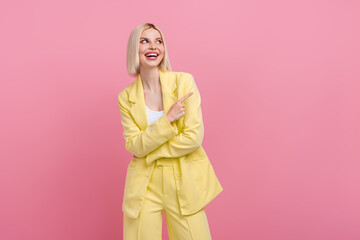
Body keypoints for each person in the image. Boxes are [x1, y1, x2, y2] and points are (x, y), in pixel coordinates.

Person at [117, 22, 223, 240]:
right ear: (133, 49)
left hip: (183, 179)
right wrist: (167, 121)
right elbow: (134, 145)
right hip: (144, 185)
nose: (153, 46)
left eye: (158, 41)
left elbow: (193, 138)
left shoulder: (184, 82)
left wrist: (150, 152)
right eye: (144, 41)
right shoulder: (125, 97)